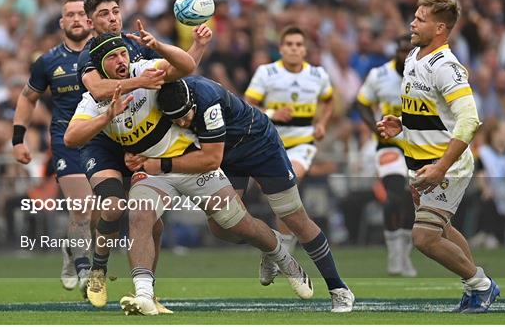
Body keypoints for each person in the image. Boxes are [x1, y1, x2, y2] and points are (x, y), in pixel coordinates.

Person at [65, 33, 313, 315]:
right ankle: (144, 294)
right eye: (112, 57)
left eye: (123, 53)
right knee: (139, 214)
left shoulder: (144, 70)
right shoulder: (92, 101)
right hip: (154, 170)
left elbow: (184, 67)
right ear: (100, 65)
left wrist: (162, 46)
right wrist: (108, 116)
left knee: (237, 223)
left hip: (188, 162)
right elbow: (72, 138)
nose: (121, 60)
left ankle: (281, 255)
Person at [132, 75, 354, 313]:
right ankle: (271, 243)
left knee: (293, 216)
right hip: (223, 153)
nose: (183, 123)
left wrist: (162, 165)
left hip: (258, 145)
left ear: (193, 104)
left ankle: (339, 290)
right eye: (175, 119)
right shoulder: (169, 97)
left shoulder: (207, 101)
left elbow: (210, 159)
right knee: (220, 226)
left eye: (185, 116)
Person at [76, 0, 211, 309]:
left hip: (139, 140)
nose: (112, 17)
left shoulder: (136, 43)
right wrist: (139, 83)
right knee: (112, 206)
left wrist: (198, 46)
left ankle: (146, 290)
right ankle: (98, 267)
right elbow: (97, 90)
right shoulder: (89, 54)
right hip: (105, 137)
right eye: (104, 14)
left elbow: (176, 71)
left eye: (115, 11)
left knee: (151, 221)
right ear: (92, 22)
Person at [377, 0, 500, 313]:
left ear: (440, 27)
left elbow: (469, 119)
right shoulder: (414, 56)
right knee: (441, 228)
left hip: (446, 165)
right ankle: (476, 289)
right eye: (414, 17)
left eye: (420, 19)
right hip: (420, 165)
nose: (412, 23)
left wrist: (442, 167)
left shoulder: (446, 67)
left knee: (424, 237)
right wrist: (401, 123)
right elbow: (436, 113)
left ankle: (482, 285)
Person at [12, 0, 94, 297]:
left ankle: (71, 250)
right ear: (61, 22)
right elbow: (27, 98)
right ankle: (86, 270)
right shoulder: (48, 61)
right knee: (82, 207)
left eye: (81, 14)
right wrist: (17, 139)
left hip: (101, 141)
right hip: (65, 140)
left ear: (90, 20)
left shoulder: (103, 54)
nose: (75, 19)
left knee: (97, 213)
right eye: (69, 14)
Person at [244, 26, 334, 251]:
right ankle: (283, 244)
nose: (294, 49)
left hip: (302, 144)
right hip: (271, 144)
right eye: (289, 44)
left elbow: (329, 100)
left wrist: (321, 123)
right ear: (281, 49)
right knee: (282, 196)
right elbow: (247, 104)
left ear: (305, 50)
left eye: (299, 45)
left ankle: (283, 247)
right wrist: (273, 114)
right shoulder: (267, 73)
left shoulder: (317, 75)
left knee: (288, 182)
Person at [356, 35, 417, 277]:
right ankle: (394, 251)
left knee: (414, 199)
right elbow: (361, 103)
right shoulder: (379, 75)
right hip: (389, 145)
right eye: (401, 50)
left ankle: (405, 252)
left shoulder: (428, 74)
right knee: (394, 194)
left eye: (409, 51)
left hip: (418, 146)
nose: (404, 55)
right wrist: (375, 130)